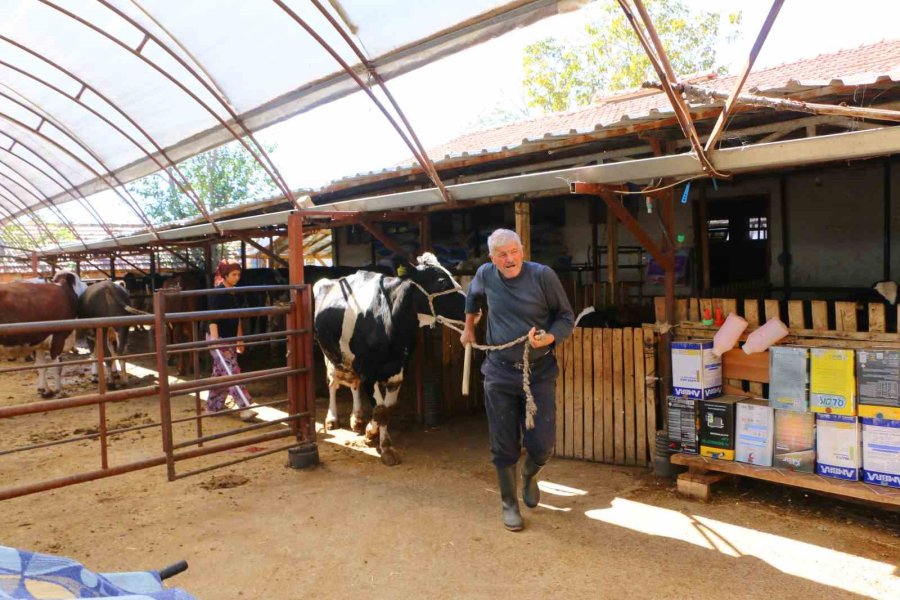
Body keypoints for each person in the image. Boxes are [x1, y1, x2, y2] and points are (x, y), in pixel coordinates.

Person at [461, 229, 574, 532]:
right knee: (502, 443)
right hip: (498, 371)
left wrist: (549, 337)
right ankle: (509, 503)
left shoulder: (542, 276)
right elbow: (472, 296)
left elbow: (565, 317)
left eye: (514, 251)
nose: (509, 259)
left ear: (522, 249)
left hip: (538, 372)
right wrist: (469, 327)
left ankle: (530, 473)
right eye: (502, 254)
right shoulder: (485, 274)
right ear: (492, 258)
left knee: (543, 444)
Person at [206, 260, 255, 421]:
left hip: (231, 337)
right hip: (218, 337)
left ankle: (213, 407)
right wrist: (215, 340)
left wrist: (239, 339)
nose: (237, 278)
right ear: (225, 275)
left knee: (220, 372)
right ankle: (245, 406)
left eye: (238, 274)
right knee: (231, 371)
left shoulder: (235, 293)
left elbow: (237, 318)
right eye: (233, 275)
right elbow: (212, 318)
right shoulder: (217, 293)